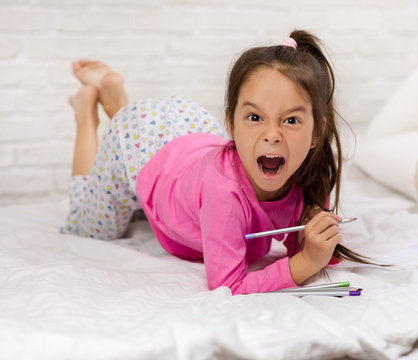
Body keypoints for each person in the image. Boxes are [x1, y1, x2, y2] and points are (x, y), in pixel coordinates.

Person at [61, 30, 369, 295]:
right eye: (255, 117)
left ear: (317, 133)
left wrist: (319, 243)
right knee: (88, 226)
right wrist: (307, 262)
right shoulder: (223, 192)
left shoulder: (310, 177)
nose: (272, 135)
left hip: (187, 133)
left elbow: (309, 245)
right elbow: (229, 284)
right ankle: (85, 112)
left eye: (291, 120)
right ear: (231, 126)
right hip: (140, 141)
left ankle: (115, 97)